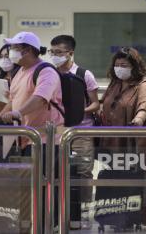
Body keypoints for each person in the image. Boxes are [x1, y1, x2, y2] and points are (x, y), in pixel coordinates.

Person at [0, 31, 63, 229]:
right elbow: (12, 100)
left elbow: (41, 98)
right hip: (27, 139)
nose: (11, 53)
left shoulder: (46, 71)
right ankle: (32, 224)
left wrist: (18, 113)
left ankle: (48, 226)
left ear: (27, 50)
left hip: (46, 140)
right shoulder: (20, 72)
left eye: (14, 49)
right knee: (29, 187)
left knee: (44, 186)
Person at [49, 35, 98, 229]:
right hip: (56, 132)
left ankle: (83, 213)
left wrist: (78, 111)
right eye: (52, 52)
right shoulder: (48, 73)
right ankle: (57, 214)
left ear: (70, 53)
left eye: (59, 52)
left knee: (83, 172)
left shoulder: (84, 74)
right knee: (55, 172)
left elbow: (95, 104)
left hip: (81, 131)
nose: (54, 56)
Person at [101, 47, 146, 156]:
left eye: (123, 66)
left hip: (133, 141)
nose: (119, 68)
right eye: (116, 65)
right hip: (111, 140)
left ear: (134, 67)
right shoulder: (115, 83)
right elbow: (105, 102)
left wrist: (139, 119)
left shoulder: (144, 84)